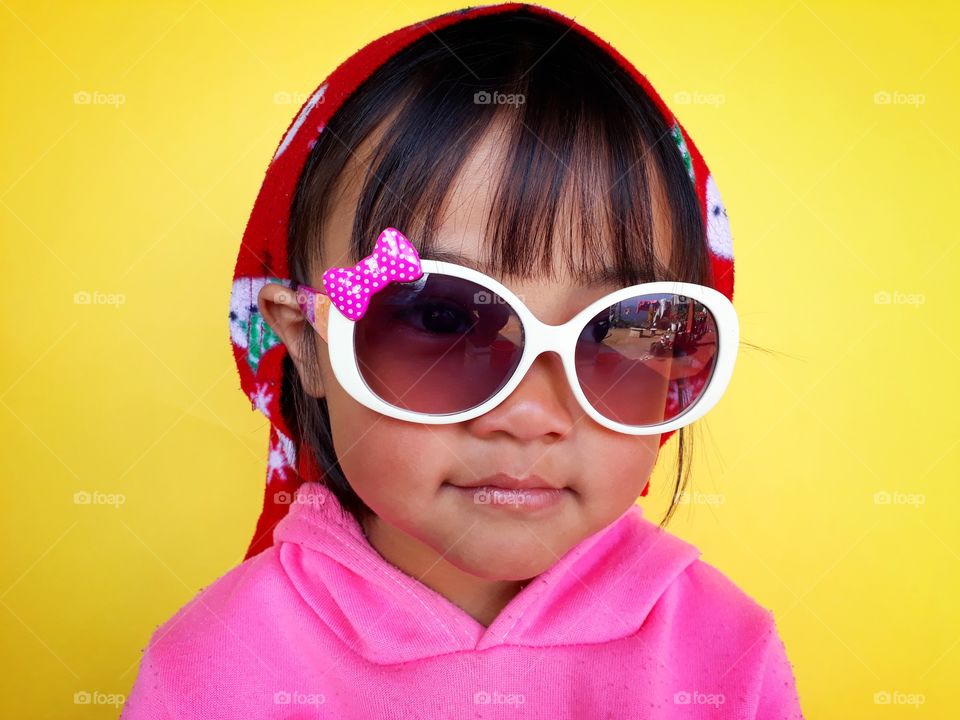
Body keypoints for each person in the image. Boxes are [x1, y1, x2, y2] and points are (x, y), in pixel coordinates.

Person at [122, 4, 803, 718]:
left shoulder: (726, 652)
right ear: (307, 347)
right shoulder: (217, 665)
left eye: (616, 329)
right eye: (442, 317)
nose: (531, 415)